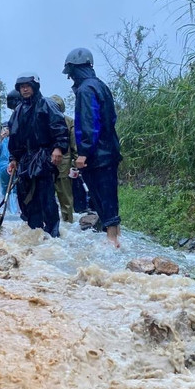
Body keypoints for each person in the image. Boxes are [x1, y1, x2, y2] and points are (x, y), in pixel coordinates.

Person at [63, 47, 122, 247]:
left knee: (102, 195)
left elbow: (89, 123)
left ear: (74, 70)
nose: (71, 78)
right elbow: (110, 119)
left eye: (71, 74)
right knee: (109, 193)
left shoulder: (86, 90)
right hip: (109, 149)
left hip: (97, 154)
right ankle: (116, 236)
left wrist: (84, 153)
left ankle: (112, 239)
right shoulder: (101, 86)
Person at [6, 74, 69, 237]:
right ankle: (35, 232)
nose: (24, 89)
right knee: (26, 197)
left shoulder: (46, 104)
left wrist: (58, 148)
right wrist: (13, 158)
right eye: (21, 87)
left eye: (27, 86)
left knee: (46, 196)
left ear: (34, 87)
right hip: (25, 159)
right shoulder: (18, 110)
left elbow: (59, 127)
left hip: (44, 155)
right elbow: (14, 136)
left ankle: (53, 233)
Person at [49, 94, 77, 223]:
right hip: (46, 165)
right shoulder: (43, 120)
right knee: (48, 199)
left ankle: (68, 225)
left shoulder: (69, 121)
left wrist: (75, 165)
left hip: (63, 166)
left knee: (65, 199)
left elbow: (74, 145)